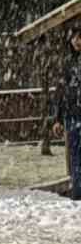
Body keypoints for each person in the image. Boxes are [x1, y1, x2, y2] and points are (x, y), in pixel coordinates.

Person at [51, 24, 81, 200]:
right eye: (75, 38)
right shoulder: (67, 64)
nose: (78, 41)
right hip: (72, 116)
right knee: (75, 156)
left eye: (80, 37)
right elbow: (60, 93)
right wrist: (57, 119)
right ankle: (78, 193)